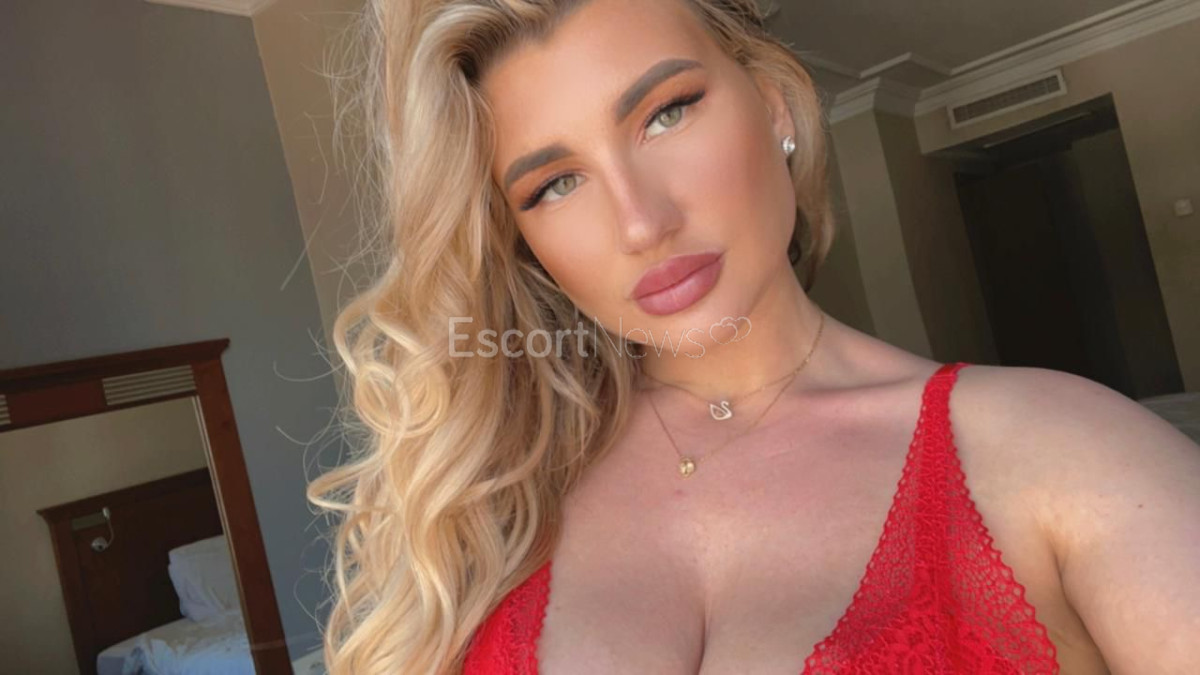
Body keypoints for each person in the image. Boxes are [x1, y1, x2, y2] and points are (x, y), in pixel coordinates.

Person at [307, 1, 1200, 673]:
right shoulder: (492, 497)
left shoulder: (1065, 453)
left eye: (666, 113)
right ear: (523, 241)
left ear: (774, 105)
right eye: (554, 184)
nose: (641, 222)